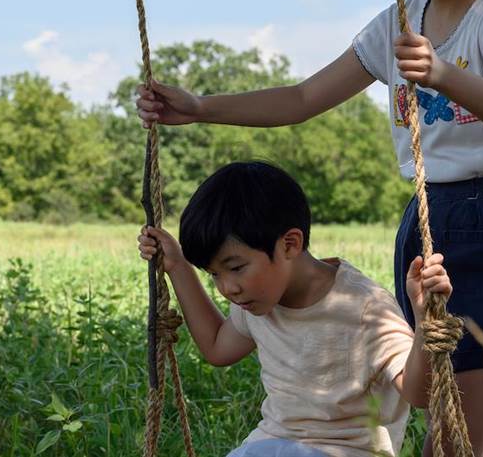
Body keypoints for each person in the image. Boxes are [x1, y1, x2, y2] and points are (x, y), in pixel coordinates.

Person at [135, 0, 483, 456]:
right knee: (446, 430)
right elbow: (303, 97)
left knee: (457, 436)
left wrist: (442, 73)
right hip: (428, 224)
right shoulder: (397, 23)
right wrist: (200, 106)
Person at [138, 161, 453, 456]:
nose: (227, 288)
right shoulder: (258, 300)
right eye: (215, 275)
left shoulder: (364, 307)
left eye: (235, 267)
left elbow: (420, 394)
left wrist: (426, 323)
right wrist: (177, 266)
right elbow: (218, 348)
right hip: (271, 444)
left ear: (290, 244)